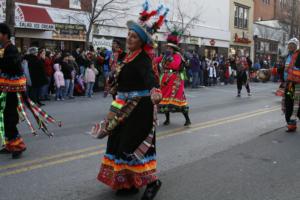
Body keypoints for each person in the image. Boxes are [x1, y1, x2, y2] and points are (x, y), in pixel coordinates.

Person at [94, 3, 168, 199]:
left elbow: (150, 78)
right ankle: (128, 184)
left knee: (132, 145)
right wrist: (114, 84)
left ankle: (153, 182)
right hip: (123, 108)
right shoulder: (128, 57)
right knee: (117, 143)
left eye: (133, 36)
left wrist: (155, 91)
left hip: (140, 109)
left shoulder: (143, 59)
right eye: (128, 35)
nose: (129, 38)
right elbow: (124, 78)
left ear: (141, 41)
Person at [0, 23, 59, 159]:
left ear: (4, 34)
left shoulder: (11, 49)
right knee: (4, 116)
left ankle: (18, 146)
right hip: (6, 89)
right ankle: (10, 144)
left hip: (13, 90)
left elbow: (11, 65)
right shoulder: (4, 48)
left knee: (9, 117)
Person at [156, 30, 191, 126]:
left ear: (173, 48)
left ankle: (187, 119)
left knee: (179, 101)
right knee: (164, 101)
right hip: (165, 80)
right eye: (167, 47)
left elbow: (175, 66)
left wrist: (169, 58)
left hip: (175, 80)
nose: (167, 49)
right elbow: (155, 61)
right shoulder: (164, 56)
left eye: (169, 48)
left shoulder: (177, 56)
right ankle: (167, 119)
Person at [282, 38, 300, 132]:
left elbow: (295, 69)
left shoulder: (298, 55)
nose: (290, 46)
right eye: (289, 45)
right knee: (288, 104)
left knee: (297, 104)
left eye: (292, 45)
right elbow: (284, 69)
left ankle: (292, 122)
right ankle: (290, 124)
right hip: (289, 84)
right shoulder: (288, 56)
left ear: (296, 46)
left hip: (297, 84)